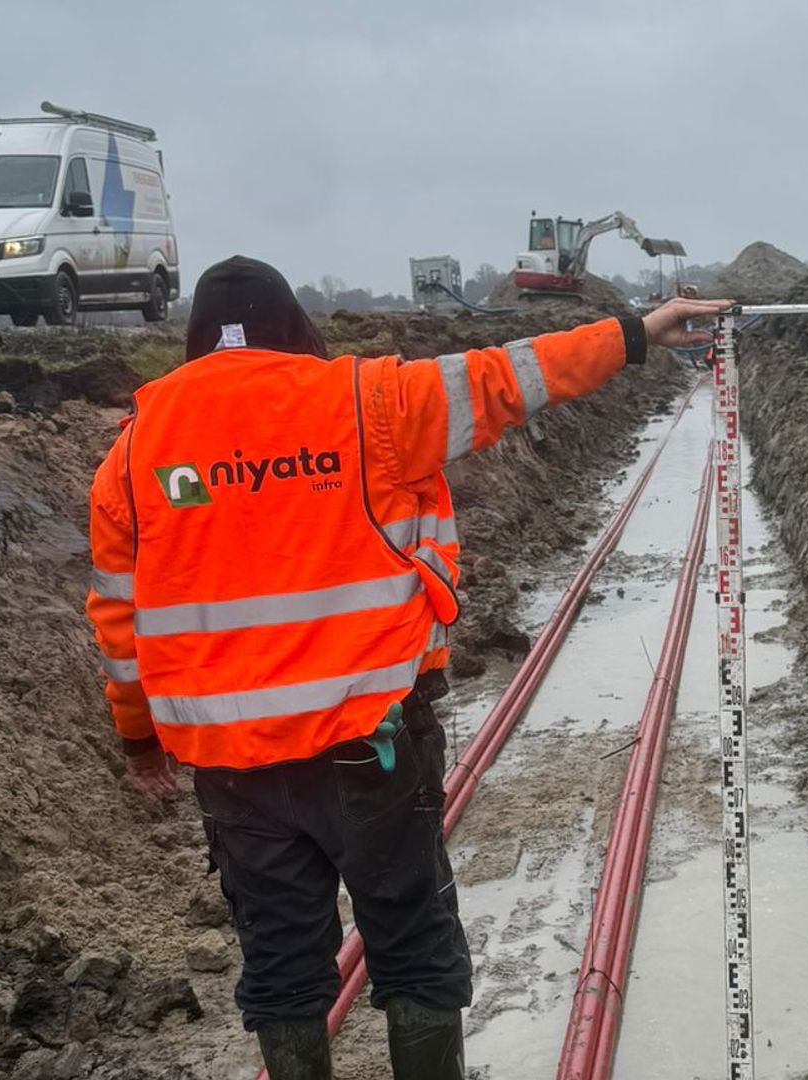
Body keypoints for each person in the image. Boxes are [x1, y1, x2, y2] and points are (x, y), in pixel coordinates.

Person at [84, 254, 729, 1080]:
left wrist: (139, 741)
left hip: (234, 767)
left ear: (197, 343)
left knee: (282, 970)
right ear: (296, 330)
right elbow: (512, 378)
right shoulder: (370, 403)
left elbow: (117, 620)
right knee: (413, 947)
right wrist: (637, 334)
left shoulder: (134, 456)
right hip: (371, 743)